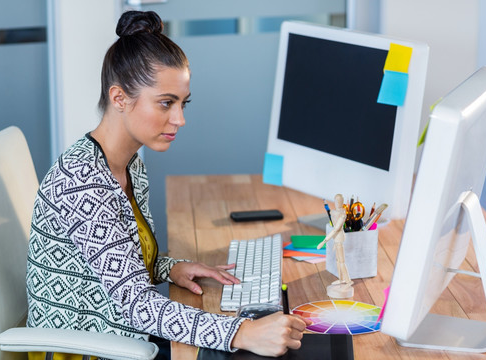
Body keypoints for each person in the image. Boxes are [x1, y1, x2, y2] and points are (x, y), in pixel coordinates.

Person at [26, 10, 309, 360]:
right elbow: (137, 305)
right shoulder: (82, 181)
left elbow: (113, 262)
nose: (180, 119)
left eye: (182, 103)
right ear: (119, 98)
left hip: (122, 334)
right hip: (90, 350)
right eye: (166, 103)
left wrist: (168, 267)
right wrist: (242, 332)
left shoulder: (129, 164)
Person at [317, 194, 354, 298]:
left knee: (342, 261)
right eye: (335, 201)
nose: (337, 203)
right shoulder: (334, 212)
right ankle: (341, 279)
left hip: (339, 237)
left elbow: (336, 229)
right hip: (336, 238)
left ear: (342, 202)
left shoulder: (343, 214)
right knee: (338, 260)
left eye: (339, 201)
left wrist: (324, 241)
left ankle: (348, 280)